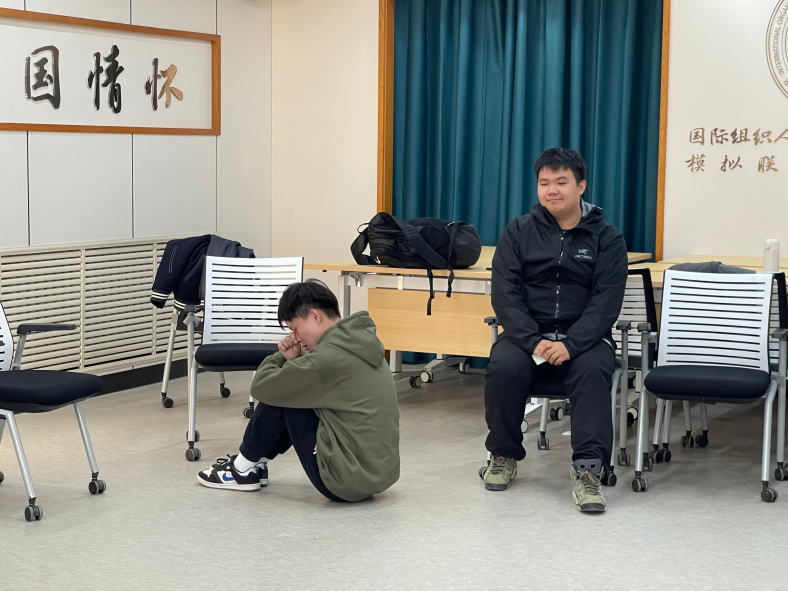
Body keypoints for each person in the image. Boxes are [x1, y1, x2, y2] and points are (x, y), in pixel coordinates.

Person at [481, 147, 628, 513]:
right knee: (504, 366)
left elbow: (606, 301)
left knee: (592, 370)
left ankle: (588, 472)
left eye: (561, 182)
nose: (552, 190)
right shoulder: (518, 232)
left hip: (585, 339)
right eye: (544, 182)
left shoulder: (607, 238)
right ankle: (503, 455)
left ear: (581, 186)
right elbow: (505, 294)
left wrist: (573, 343)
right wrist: (535, 341)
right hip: (528, 337)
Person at [198, 279, 400, 503]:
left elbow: (261, 386)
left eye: (295, 329)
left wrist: (281, 357)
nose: (296, 337)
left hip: (343, 483)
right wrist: (295, 361)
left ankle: (242, 469)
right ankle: (256, 464)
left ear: (314, 316)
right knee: (292, 385)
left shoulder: (326, 359)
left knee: (282, 393)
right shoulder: (361, 342)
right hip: (376, 475)